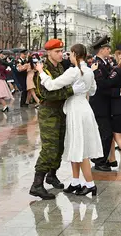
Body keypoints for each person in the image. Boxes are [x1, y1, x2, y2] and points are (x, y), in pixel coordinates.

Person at [36, 44, 102, 197]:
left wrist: (41, 72)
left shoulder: (73, 71)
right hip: (85, 108)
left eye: (68, 53)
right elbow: (93, 90)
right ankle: (75, 181)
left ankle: (90, 184)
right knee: (75, 145)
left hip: (75, 110)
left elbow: (51, 86)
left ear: (74, 54)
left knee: (79, 147)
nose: (66, 56)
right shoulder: (89, 71)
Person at [30, 39, 85, 200]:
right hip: (49, 113)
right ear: (48, 53)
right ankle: (37, 184)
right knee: (49, 148)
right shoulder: (44, 71)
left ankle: (52, 175)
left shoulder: (60, 67)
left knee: (60, 146)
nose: (61, 54)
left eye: (62, 51)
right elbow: (47, 93)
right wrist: (70, 91)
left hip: (61, 111)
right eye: (57, 52)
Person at [92, 43, 121, 171]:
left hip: (119, 107)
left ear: (120, 55)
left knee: (117, 137)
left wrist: (96, 72)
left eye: (115, 52)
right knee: (113, 135)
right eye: (108, 49)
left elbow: (105, 83)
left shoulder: (118, 70)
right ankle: (111, 159)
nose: (112, 53)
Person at [89, 36, 114, 172]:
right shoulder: (97, 64)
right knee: (105, 133)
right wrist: (116, 90)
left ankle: (101, 158)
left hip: (105, 103)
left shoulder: (105, 63)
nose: (109, 50)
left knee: (105, 133)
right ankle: (99, 161)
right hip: (100, 103)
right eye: (107, 48)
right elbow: (102, 84)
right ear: (102, 49)